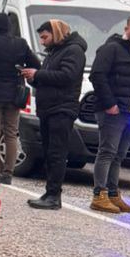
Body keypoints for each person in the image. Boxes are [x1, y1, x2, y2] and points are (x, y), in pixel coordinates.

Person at [87, 11, 130, 213]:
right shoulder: (112, 48)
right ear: (127, 29)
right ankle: (99, 195)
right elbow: (97, 75)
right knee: (107, 152)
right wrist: (109, 104)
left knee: (119, 155)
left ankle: (113, 194)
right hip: (114, 112)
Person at [22, 19, 86, 209]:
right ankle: (50, 192)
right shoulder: (55, 51)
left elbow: (67, 76)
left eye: (45, 37)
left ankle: (54, 195)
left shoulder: (73, 51)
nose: (42, 41)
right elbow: (50, 79)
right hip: (49, 109)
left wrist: (38, 74)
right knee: (50, 153)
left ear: (56, 33)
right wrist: (33, 77)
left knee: (57, 153)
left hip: (62, 109)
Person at [0, 14, 39, 183]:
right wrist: (21, 70)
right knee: (11, 134)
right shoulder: (20, 43)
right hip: (15, 95)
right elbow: (36, 64)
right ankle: (8, 173)